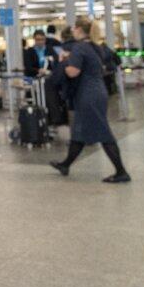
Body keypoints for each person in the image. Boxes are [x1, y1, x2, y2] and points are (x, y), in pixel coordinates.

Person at [50, 18, 130, 183]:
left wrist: (64, 62)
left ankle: (121, 171)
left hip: (88, 95)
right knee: (79, 131)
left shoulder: (79, 47)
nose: (72, 31)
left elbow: (73, 72)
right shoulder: (95, 47)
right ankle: (65, 164)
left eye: (74, 28)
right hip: (98, 91)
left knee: (103, 133)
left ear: (79, 29)